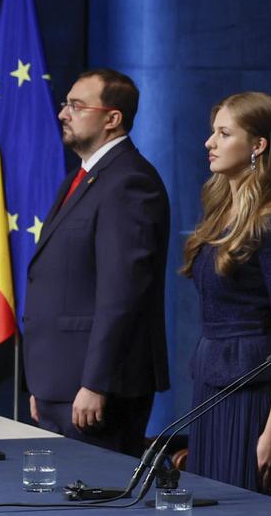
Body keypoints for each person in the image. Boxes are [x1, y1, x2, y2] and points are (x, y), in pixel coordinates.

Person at [20, 68, 170, 455]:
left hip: (96, 390)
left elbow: (122, 293)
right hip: (59, 383)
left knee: (92, 510)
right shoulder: (81, 178)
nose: (63, 114)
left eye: (76, 105)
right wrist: (43, 383)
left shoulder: (129, 182)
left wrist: (96, 383)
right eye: (65, 104)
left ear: (112, 118)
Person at [178, 92, 271, 499]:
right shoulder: (221, 215)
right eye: (212, 133)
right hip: (212, 390)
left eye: (223, 133)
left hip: (255, 398)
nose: (210, 143)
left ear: (258, 146)